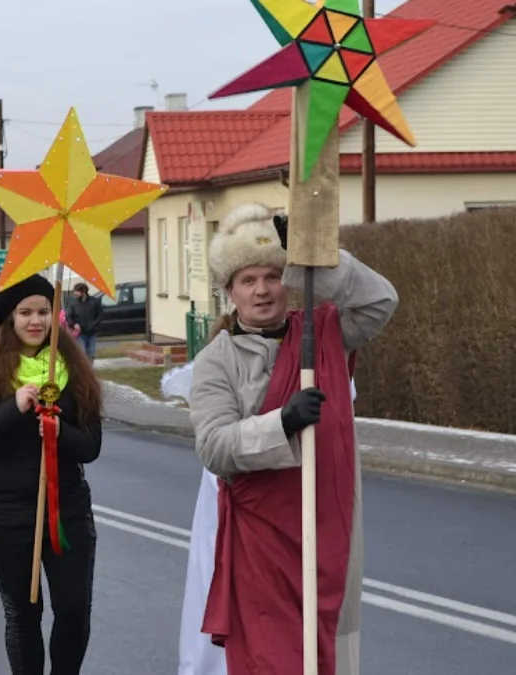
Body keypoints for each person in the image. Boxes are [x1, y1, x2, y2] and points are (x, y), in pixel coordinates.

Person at [187, 203, 397, 675]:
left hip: (327, 526)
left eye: (273, 275)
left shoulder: (326, 331)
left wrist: (321, 261)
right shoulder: (215, 362)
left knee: (325, 655)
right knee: (272, 658)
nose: (262, 290)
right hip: (262, 542)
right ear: (230, 292)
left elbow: (381, 301)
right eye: (247, 280)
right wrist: (281, 423)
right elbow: (215, 447)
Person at [0, 274, 103, 675]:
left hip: (67, 509)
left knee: (73, 610)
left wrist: (60, 432)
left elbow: (91, 446)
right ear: (9, 318)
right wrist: (13, 408)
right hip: (4, 515)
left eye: (44, 311)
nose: (36, 321)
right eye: (25, 313)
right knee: (23, 614)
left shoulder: (73, 369)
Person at [64, 283, 103, 361]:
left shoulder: (94, 302)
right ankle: (84, 371)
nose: (75, 293)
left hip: (92, 333)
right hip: (80, 333)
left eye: (77, 291)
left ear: (83, 291)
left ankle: (90, 370)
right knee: (83, 353)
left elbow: (100, 316)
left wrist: (94, 325)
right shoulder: (73, 303)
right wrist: (74, 324)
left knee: (91, 353)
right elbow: (68, 317)